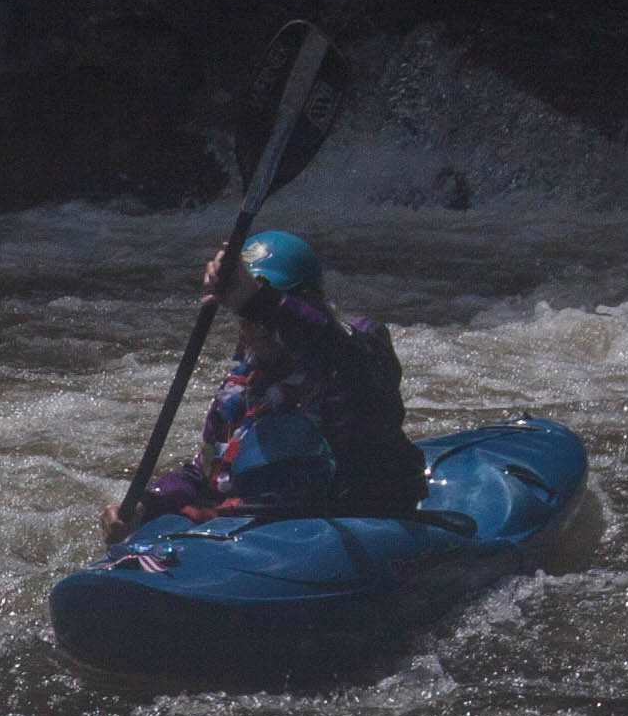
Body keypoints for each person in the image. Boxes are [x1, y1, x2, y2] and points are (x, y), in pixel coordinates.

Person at [100, 230, 426, 544]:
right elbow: (206, 474)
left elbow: (332, 345)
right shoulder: (245, 384)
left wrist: (258, 300)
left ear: (309, 303)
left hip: (352, 520)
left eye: (266, 310)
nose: (259, 325)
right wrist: (145, 505)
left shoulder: (354, 358)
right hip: (264, 534)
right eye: (247, 314)